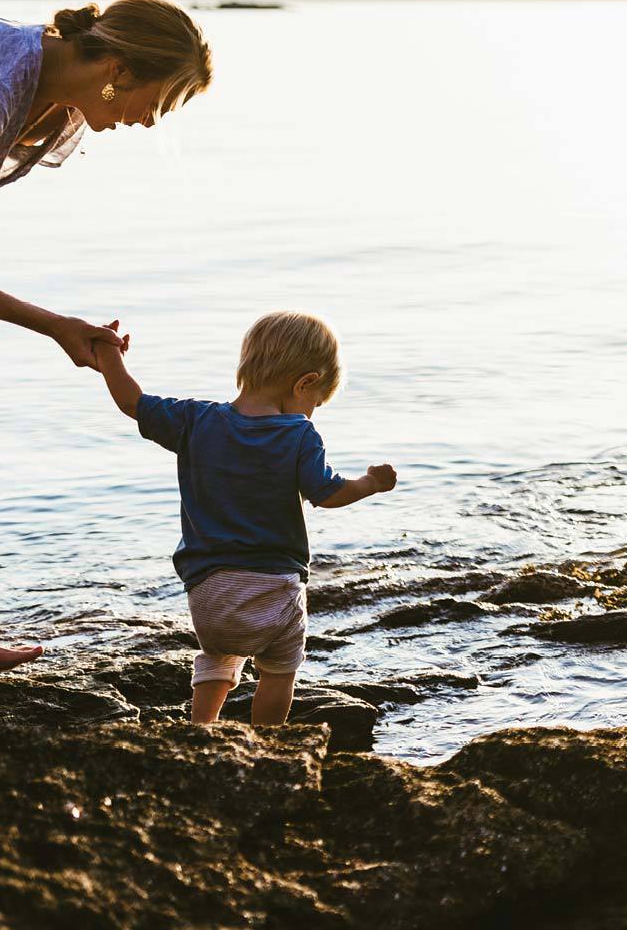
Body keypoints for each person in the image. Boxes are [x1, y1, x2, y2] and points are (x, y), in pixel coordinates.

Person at [0, 0, 214, 666]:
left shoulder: (55, 102)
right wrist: (53, 324)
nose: (146, 120)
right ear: (116, 69)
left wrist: (58, 326)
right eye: (156, 102)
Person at [88, 311, 397, 726]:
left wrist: (110, 355)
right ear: (304, 383)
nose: (310, 413)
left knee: (217, 656)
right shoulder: (299, 434)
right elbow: (328, 494)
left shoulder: (194, 420)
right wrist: (370, 483)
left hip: (208, 596)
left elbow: (132, 402)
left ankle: (202, 732)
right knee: (280, 668)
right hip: (275, 589)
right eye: (314, 402)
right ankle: (266, 742)